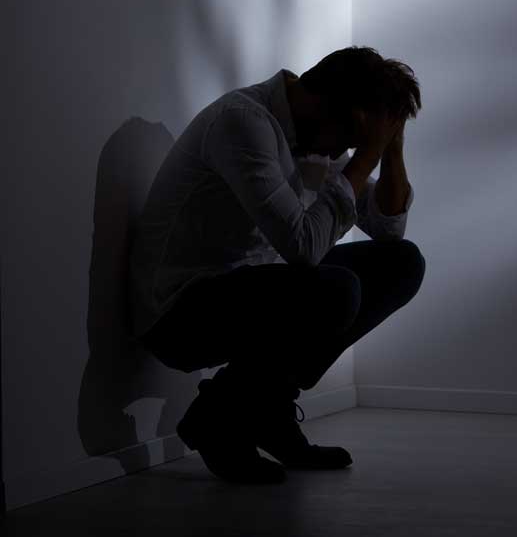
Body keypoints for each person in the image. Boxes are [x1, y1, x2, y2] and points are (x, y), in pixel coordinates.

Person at [128, 46, 426, 484]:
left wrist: (391, 148)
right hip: (178, 313)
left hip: (246, 294)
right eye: (352, 138)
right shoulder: (243, 123)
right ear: (328, 106)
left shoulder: (313, 133)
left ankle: (266, 412)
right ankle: (219, 420)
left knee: (401, 264)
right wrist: (364, 158)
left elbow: (388, 232)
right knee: (335, 290)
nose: (348, 150)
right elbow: (304, 248)